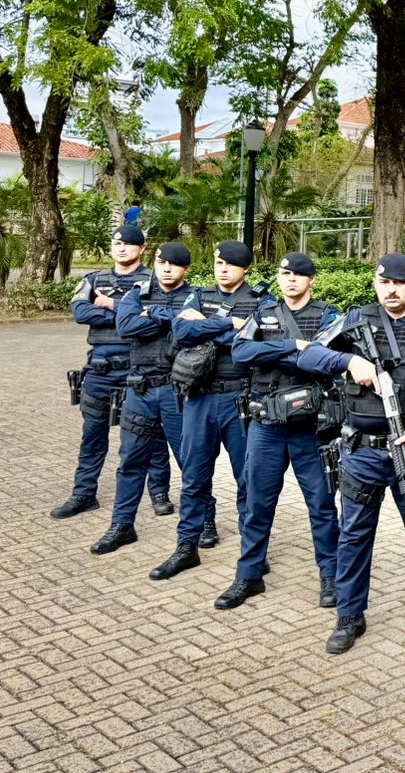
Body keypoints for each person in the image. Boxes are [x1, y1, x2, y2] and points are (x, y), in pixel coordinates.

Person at [296, 253, 405, 655]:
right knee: (354, 534)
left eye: (399, 284)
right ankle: (349, 614)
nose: (391, 290)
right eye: (384, 283)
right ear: (375, 284)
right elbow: (308, 355)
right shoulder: (354, 321)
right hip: (363, 450)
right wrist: (350, 361)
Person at [216, 252, 343, 611]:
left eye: (298, 274)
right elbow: (240, 351)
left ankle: (330, 576)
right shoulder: (264, 313)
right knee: (257, 504)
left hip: (311, 429)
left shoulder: (328, 316)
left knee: (320, 506)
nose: (290, 280)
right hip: (266, 427)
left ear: (311, 279)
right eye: (285, 273)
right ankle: (249, 575)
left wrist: (270, 353)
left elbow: (322, 357)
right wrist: (291, 346)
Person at [152, 241, 260, 580]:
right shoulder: (198, 295)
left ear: (245, 270)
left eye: (230, 264)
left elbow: (250, 345)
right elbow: (182, 331)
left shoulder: (260, 301)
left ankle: (252, 552)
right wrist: (230, 324)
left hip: (238, 401)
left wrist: (209, 325)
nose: (223, 268)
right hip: (198, 399)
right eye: (218, 262)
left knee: (248, 480)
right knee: (195, 478)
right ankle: (187, 547)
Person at [55, 226, 171, 521]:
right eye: (117, 243)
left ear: (142, 249)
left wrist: (109, 304)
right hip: (99, 372)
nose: (121, 248)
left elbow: (160, 317)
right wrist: (129, 314)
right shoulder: (93, 279)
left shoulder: (153, 281)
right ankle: (83, 493)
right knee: (92, 435)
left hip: (140, 371)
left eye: (129, 244)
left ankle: (159, 493)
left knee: (152, 436)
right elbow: (81, 313)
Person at [92, 243, 194, 555]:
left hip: (177, 392)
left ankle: (204, 522)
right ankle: (122, 525)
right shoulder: (137, 293)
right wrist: (169, 318)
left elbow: (190, 330)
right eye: (162, 262)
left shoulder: (196, 296)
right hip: (139, 391)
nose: (166, 268)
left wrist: (155, 316)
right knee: (131, 461)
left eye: (174, 264)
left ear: (185, 270)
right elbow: (126, 326)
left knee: (191, 464)